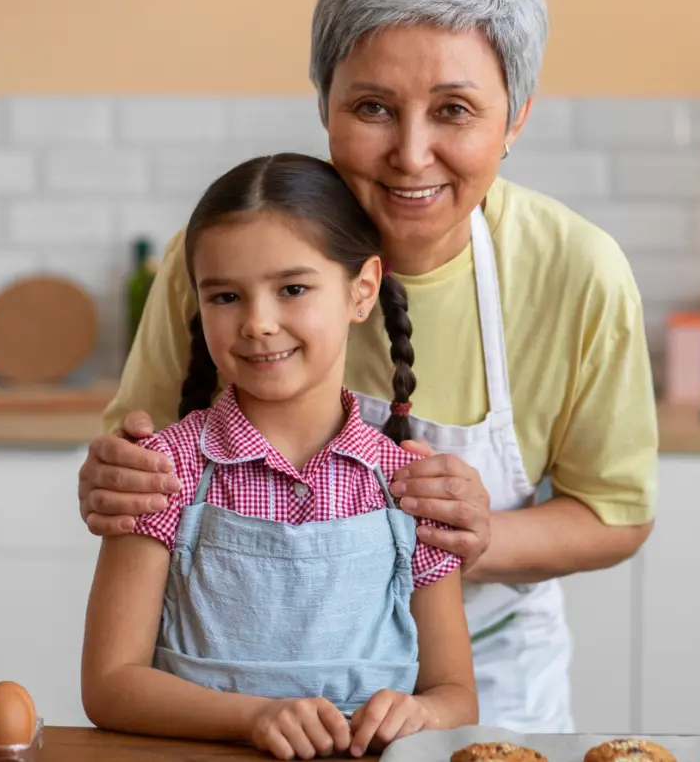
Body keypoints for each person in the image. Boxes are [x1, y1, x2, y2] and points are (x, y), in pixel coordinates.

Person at [78, 0, 658, 733]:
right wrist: (111, 481)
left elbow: (617, 515)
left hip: (480, 677)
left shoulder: (577, 272)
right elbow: (137, 478)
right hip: (217, 702)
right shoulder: (214, 257)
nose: (411, 155)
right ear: (323, 105)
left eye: (454, 110)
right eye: (373, 108)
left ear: (515, 117)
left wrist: (470, 534)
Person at [80, 153, 477, 761]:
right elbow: (109, 685)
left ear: (362, 289)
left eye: (293, 289)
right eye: (226, 296)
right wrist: (253, 718)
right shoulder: (165, 472)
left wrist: (422, 711)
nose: (258, 323)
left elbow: (455, 695)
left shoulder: (409, 486)